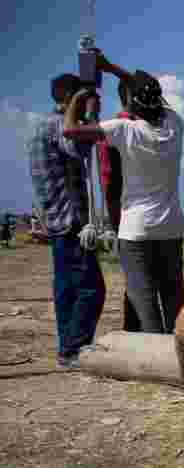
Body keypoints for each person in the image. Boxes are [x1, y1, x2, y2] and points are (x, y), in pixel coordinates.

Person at [64, 54, 184, 334]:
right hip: (171, 226)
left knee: (144, 300)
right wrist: (111, 68)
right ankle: (181, 354)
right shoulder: (174, 125)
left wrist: (79, 96)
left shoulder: (124, 130)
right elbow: (147, 89)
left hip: (136, 231)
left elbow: (71, 129)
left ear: (131, 104)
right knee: (173, 298)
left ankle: (159, 361)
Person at [28, 73, 107, 369]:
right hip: (70, 220)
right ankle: (74, 349)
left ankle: (67, 347)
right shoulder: (57, 126)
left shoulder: (40, 125)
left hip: (55, 218)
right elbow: (79, 147)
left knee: (67, 289)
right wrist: (89, 116)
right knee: (91, 289)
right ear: (72, 98)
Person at [95, 78, 141, 332]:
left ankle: (135, 328)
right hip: (129, 212)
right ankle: (135, 330)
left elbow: (106, 178)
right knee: (141, 277)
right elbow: (109, 178)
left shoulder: (117, 128)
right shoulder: (121, 128)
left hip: (126, 212)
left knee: (137, 276)